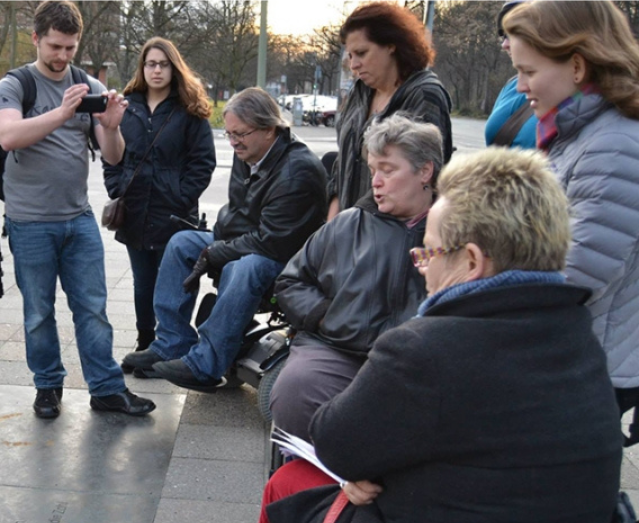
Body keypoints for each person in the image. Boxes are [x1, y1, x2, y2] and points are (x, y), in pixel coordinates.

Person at [220, 149, 622, 523]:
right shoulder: (577, 333)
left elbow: (336, 442)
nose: (422, 270)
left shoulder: (427, 346)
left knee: (290, 481)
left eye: (427, 254)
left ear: (471, 261)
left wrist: (370, 469)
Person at [0, 0, 156, 419]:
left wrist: (112, 125)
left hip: (77, 219)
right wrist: (62, 112)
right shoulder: (14, 85)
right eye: (55, 46)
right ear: (36, 39)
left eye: (70, 47)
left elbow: (113, 157)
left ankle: (105, 389)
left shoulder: (87, 85)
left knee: (93, 310)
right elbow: (8, 135)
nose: (63, 56)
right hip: (29, 222)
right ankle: (47, 386)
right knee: (39, 312)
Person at [121, 88, 327, 391]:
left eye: (240, 134)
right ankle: (171, 343)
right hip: (250, 239)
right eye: (229, 134)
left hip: (285, 257)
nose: (233, 142)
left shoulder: (297, 171)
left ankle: (205, 365)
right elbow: (239, 214)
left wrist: (216, 252)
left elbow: (270, 244)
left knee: (244, 268)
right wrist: (214, 244)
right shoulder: (251, 151)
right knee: (180, 242)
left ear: (269, 129)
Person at [505, 1, 639, 446]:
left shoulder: (614, 143)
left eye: (528, 71)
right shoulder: (580, 131)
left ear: (577, 65)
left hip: (587, 363)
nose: (520, 86)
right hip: (571, 352)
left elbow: (575, 272)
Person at [269, 114, 440, 441]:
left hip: (417, 363)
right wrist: (324, 316)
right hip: (337, 351)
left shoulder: (456, 231)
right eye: (373, 170)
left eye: (388, 170)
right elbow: (291, 281)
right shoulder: (347, 224)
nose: (375, 181)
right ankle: (318, 482)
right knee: (295, 391)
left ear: (425, 171)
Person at [101, 38, 216, 356]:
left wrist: (182, 196)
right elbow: (111, 157)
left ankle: (172, 343)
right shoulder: (126, 106)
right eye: (151, 64)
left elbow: (203, 161)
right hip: (135, 210)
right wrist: (117, 187)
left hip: (173, 215)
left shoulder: (188, 110)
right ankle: (146, 342)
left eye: (163, 64)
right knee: (143, 282)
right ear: (142, 67)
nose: (156, 70)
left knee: (172, 284)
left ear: (174, 67)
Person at [329, 1, 452, 220]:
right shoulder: (360, 92)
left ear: (391, 45)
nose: (353, 64)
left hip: (392, 236)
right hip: (348, 228)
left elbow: (425, 180)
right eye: (350, 56)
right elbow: (343, 161)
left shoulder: (424, 94)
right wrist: (333, 221)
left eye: (361, 53)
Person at [484, 1, 536, 149]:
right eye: (502, 36)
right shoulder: (511, 86)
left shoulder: (569, 89)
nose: (504, 44)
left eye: (511, 34)